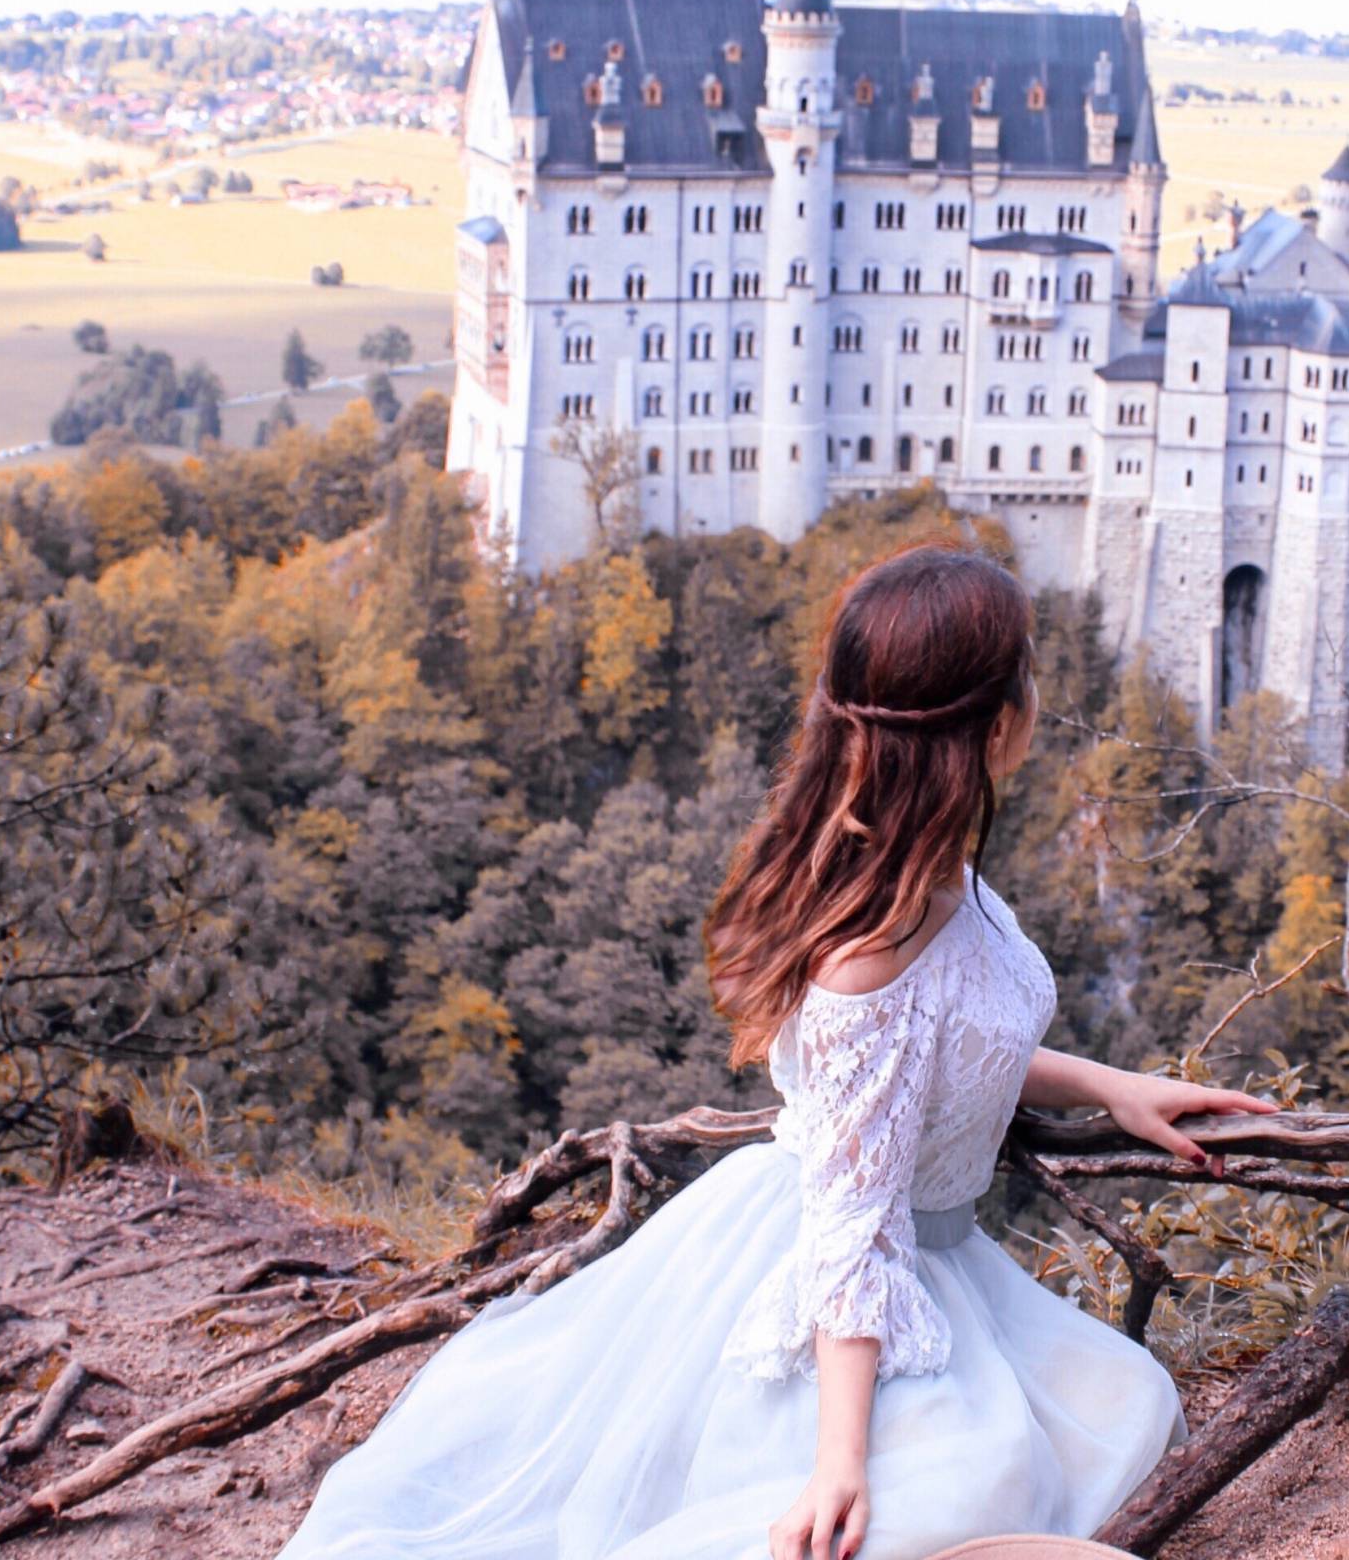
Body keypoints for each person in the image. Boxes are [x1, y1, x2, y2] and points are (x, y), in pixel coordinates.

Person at [276, 544, 1273, 1560]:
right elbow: (851, 1224)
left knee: (1124, 1404)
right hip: (840, 1287)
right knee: (967, 1491)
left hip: (940, 1263)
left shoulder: (931, 872)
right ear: (990, 727)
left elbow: (949, 1051)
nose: (1037, 691)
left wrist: (1114, 1087)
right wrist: (839, 1462)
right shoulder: (871, 959)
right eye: (1024, 669)